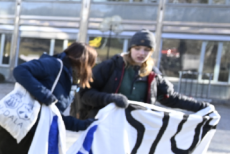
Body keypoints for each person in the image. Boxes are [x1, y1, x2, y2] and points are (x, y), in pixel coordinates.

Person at [77, 29, 210, 117]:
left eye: (146, 50)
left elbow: (171, 98)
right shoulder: (111, 66)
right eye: (137, 48)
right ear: (130, 49)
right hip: (104, 125)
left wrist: (202, 107)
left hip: (136, 128)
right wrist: (109, 98)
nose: (141, 53)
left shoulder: (153, 74)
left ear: (151, 52)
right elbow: (85, 94)